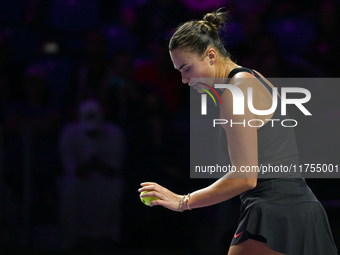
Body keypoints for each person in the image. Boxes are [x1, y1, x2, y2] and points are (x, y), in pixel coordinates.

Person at [138, 9, 338, 255]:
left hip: (275, 212)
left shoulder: (235, 93)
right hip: (298, 209)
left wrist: (183, 202)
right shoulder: (253, 78)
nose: (183, 80)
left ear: (211, 55)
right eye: (179, 71)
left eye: (187, 68)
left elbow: (245, 178)